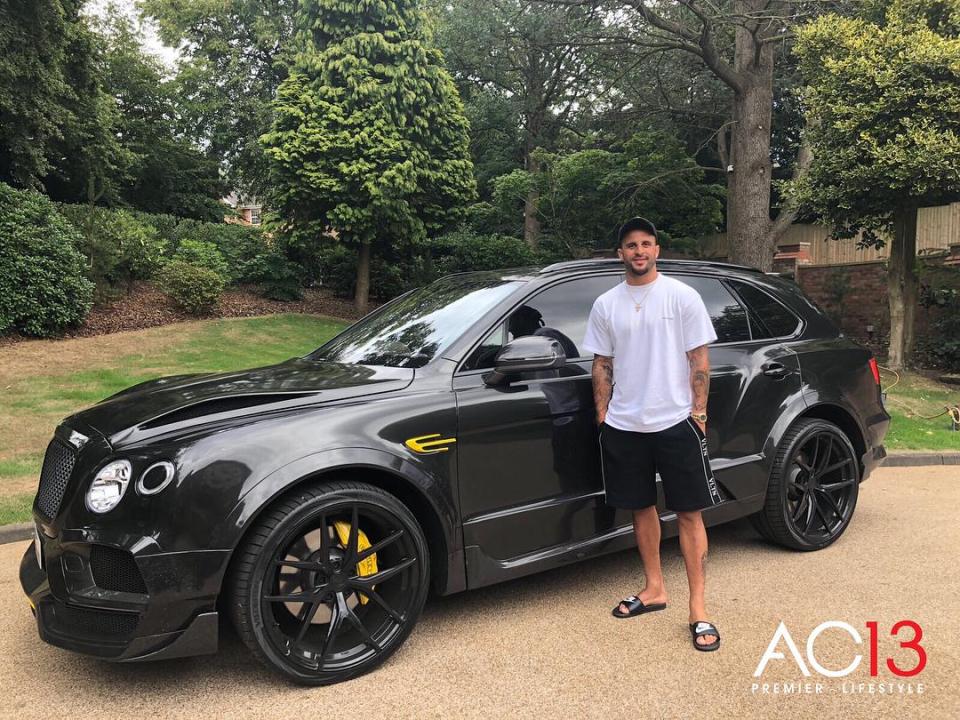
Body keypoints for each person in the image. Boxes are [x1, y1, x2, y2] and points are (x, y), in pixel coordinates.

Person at [582, 217, 721, 652]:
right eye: (630, 245)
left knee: (688, 514)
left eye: (645, 244)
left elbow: (699, 358)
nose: (638, 251)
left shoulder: (681, 296)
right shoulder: (607, 304)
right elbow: (602, 363)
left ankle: (698, 610)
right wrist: (603, 417)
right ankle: (655, 589)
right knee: (640, 509)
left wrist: (698, 414)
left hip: (675, 421)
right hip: (625, 425)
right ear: (620, 253)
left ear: (657, 249)